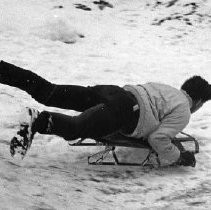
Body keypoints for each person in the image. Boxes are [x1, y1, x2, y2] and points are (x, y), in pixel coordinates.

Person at [0, 61, 210, 167]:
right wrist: (179, 157)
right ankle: (38, 120)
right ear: (199, 101)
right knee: (75, 128)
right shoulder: (184, 111)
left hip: (112, 92)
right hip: (124, 111)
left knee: (50, 92)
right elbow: (158, 138)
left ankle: (5, 70)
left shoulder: (167, 89)